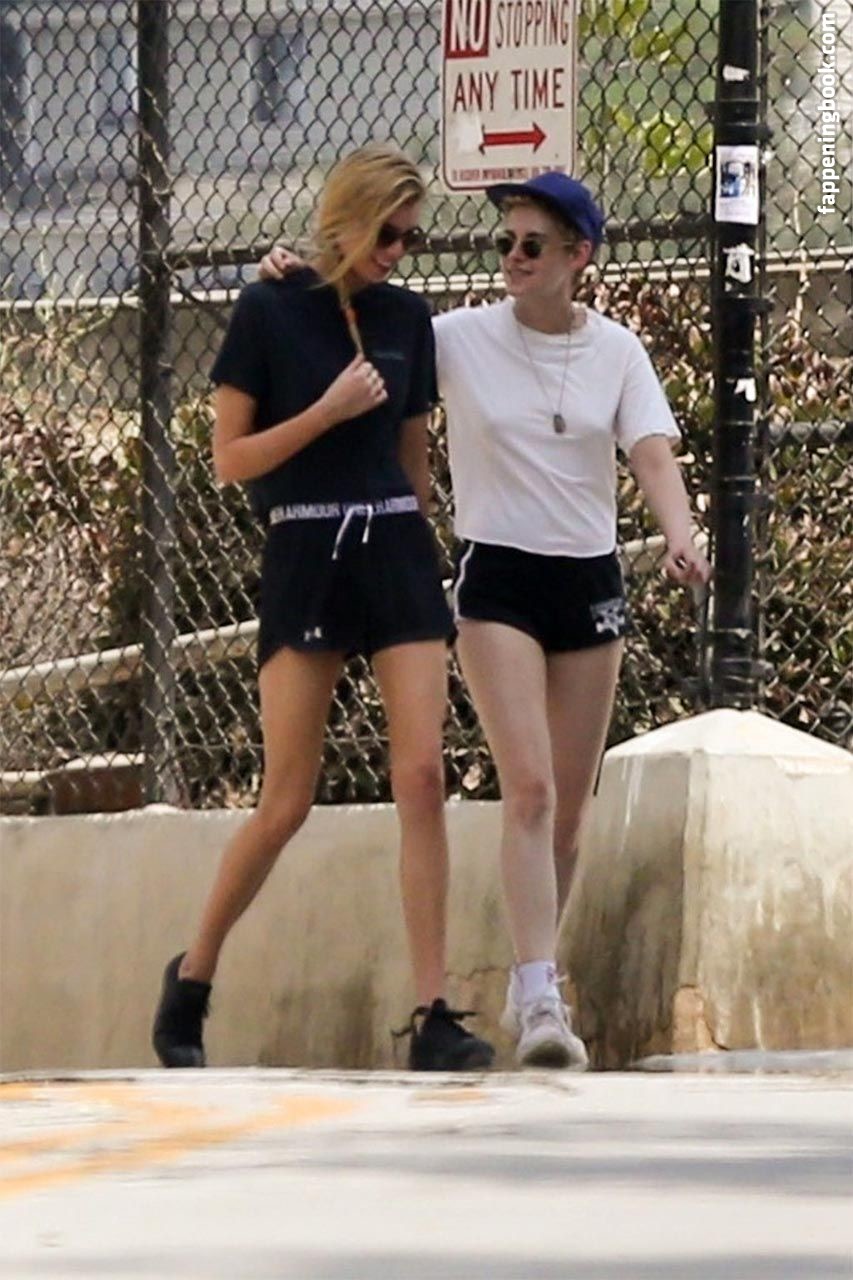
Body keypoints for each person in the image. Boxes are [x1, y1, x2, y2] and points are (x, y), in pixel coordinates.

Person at [260, 170, 711, 1070]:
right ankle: (542, 995)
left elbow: (651, 453)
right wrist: (299, 278)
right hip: (496, 578)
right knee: (530, 789)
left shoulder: (616, 352)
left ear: (577, 256)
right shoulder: (458, 337)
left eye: (532, 244)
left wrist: (680, 533)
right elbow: (365, 327)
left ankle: (530, 973)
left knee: (568, 814)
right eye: (504, 241)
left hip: (586, 579)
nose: (512, 256)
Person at [152, 144, 495, 1074]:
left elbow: (414, 458)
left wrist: (419, 547)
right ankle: (193, 977)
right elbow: (230, 460)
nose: (395, 252)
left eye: (409, 238)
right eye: (385, 233)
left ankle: (433, 1013)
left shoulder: (405, 318)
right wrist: (327, 413)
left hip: (393, 550)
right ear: (344, 218)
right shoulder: (268, 308)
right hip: (305, 549)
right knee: (286, 799)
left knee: (420, 776)